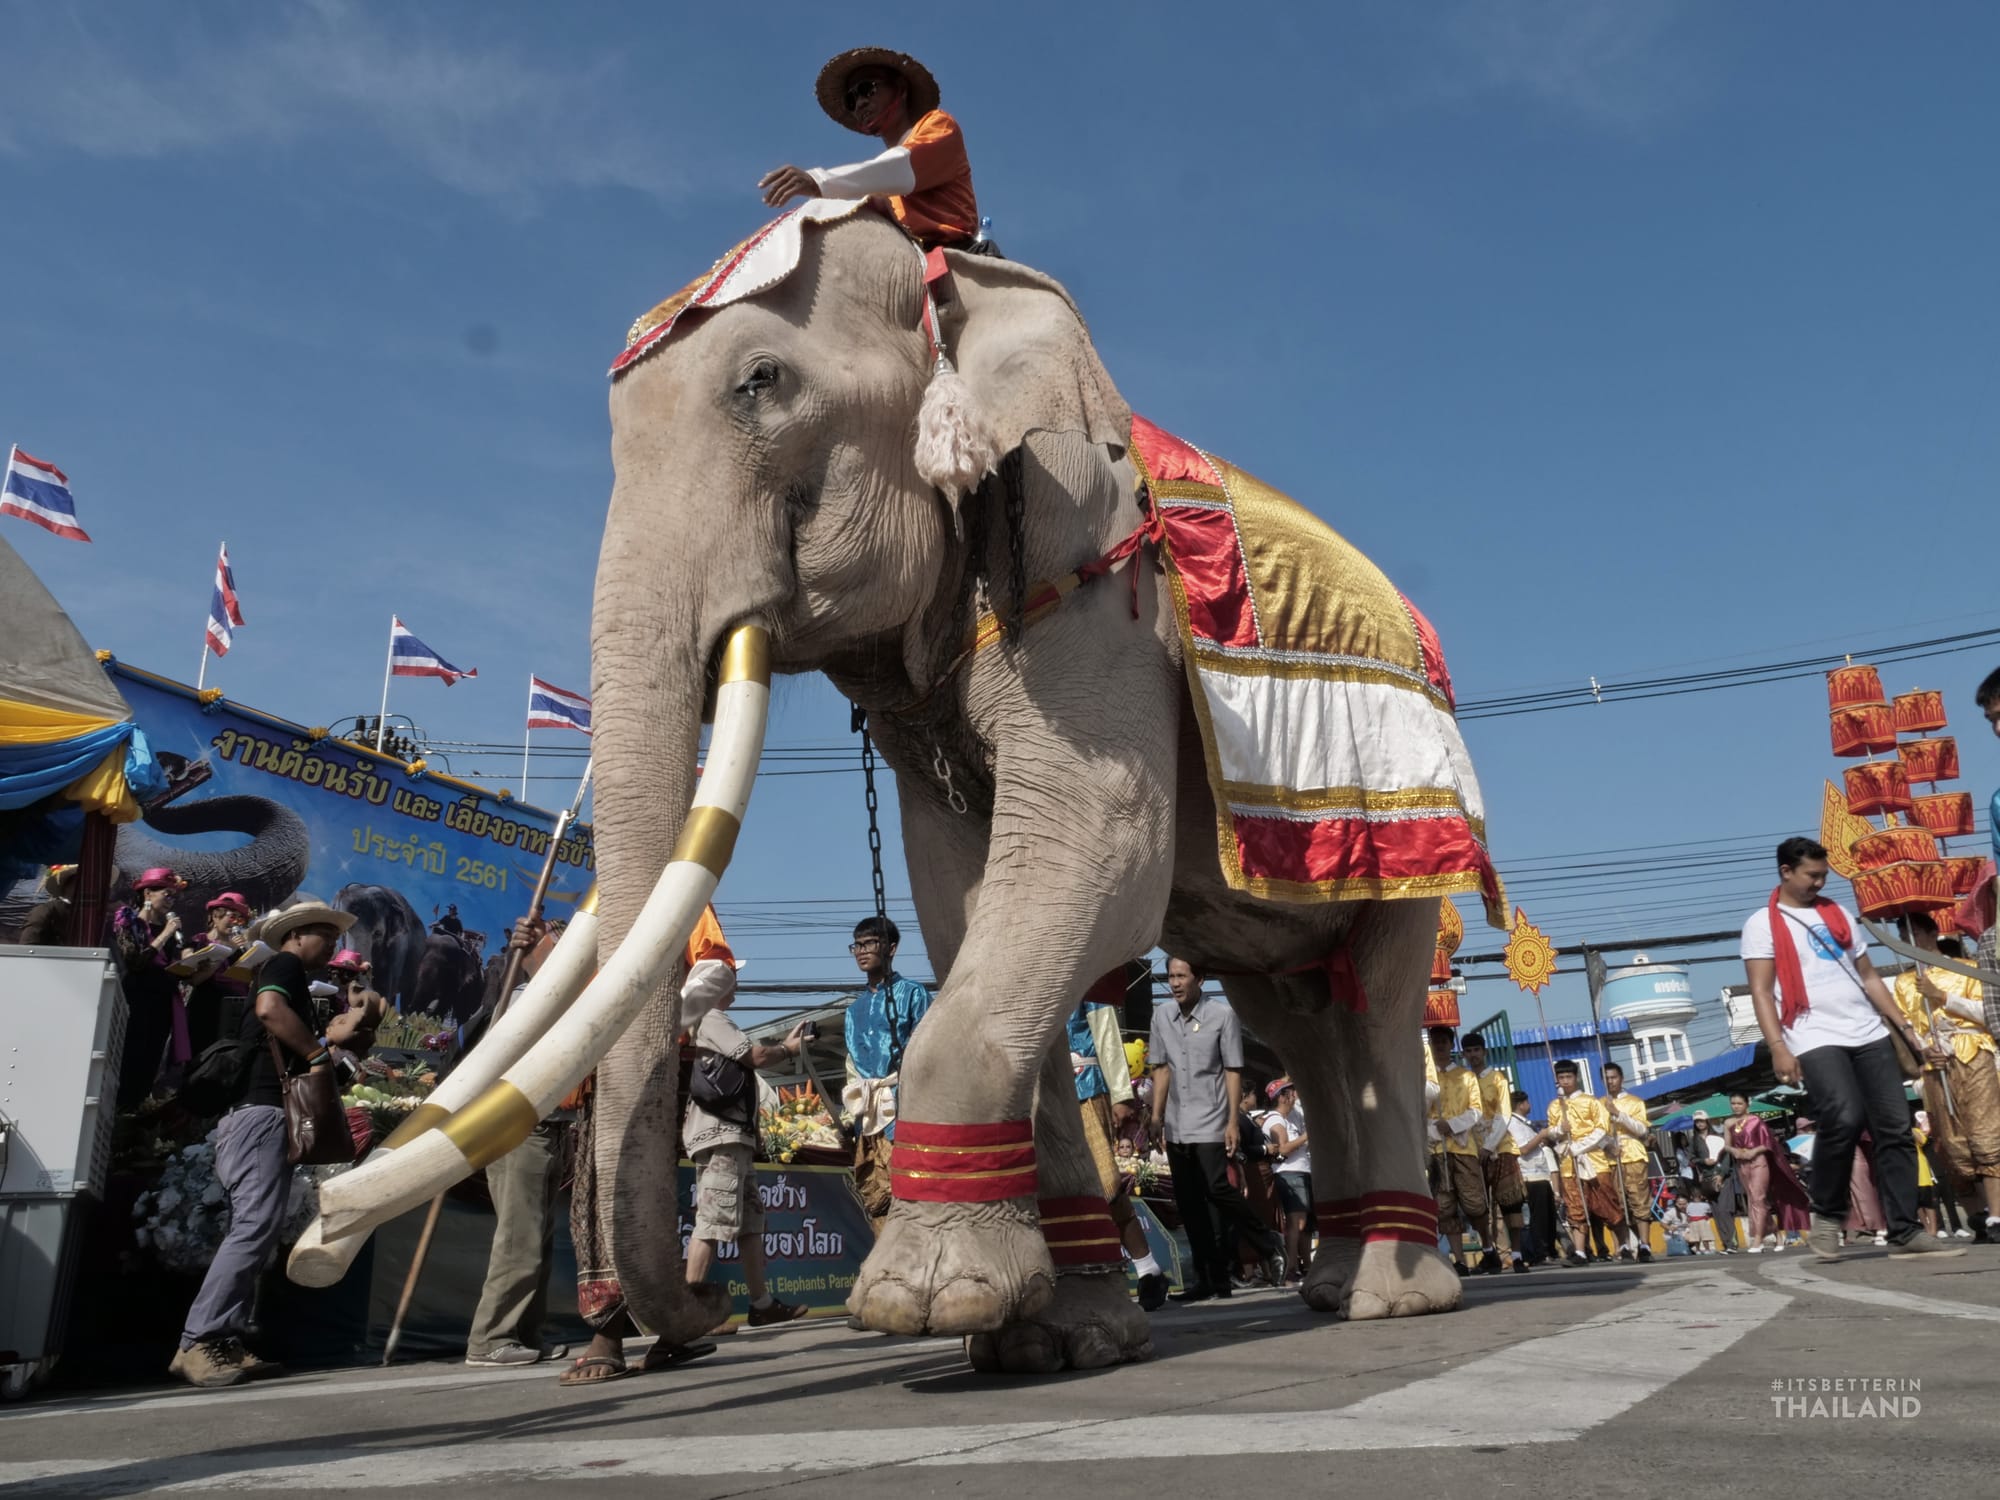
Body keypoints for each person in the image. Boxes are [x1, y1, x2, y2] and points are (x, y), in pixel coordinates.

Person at [170, 902, 371, 1388]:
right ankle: (199, 1341)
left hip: (262, 1116)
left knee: (257, 1228)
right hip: (261, 1114)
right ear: (297, 935)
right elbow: (269, 1009)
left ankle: (223, 1342)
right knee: (254, 1226)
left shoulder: (291, 974)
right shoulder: (281, 966)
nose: (333, 947)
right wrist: (318, 1054)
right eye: (326, 936)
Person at [1741, 835, 1961, 1259]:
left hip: (1867, 1032)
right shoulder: (1763, 924)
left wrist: (1905, 1026)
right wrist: (1778, 1047)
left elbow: (1870, 977)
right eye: (1812, 875)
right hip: (1812, 1032)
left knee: (1895, 1128)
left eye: (1824, 875)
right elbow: (1761, 991)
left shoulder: (1838, 914)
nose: (1820, 883)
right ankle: (1826, 1215)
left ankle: (1905, 1229)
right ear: (1786, 872)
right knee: (1842, 1117)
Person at [679, 956, 811, 1337]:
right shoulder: (713, 1018)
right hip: (722, 1135)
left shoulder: (708, 1020)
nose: (736, 986)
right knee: (712, 1220)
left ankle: (762, 1304)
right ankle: (692, 1311)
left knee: (750, 1221)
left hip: (731, 1136)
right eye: (731, 980)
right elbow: (755, 1056)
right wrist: (789, 1048)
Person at [465, 917, 572, 1368]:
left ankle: (527, 1331)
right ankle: (491, 1337)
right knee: (519, 1237)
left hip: (552, 1126)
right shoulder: (521, 999)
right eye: (558, 943)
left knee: (538, 1238)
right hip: (517, 1127)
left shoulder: (570, 1000)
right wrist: (519, 952)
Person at [1148, 957, 1282, 1301]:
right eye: (1170, 977)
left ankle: (1266, 1240)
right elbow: (1161, 1070)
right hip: (1177, 1123)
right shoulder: (1161, 1015)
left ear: (1200, 979)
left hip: (1212, 1117)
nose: (1175, 983)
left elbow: (1232, 1070)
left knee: (1217, 1187)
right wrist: (1156, 1117)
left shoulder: (1222, 1015)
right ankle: (1211, 1280)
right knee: (1190, 1203)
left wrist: (1231, 1122)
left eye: (1181, 976)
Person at [759, 49, 980, 251]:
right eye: (851, 100)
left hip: (954, 256)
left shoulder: (940, 126)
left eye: (867, 89)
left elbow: (901, 167)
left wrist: (819, 181)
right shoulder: (877, 185)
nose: (861, 103)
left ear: (901, 88)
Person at [1895, 913, 2000, 1236]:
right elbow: (1907, 1028)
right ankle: (1976, 1215)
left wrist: (1942, 997)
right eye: (1902, 934)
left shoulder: (1966, 969)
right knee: (1950, 1143)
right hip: (1934, 1066)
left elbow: (1989, 1013)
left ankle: (1997, 1214)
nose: (1908, 940)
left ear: (1932, 932)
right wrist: (1923, 1050)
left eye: (1913, 932)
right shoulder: (1903, 982)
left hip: (1973, 1055)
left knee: (1986, 1133)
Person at [1070, 973, 1168, 1309]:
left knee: (1104, 1183)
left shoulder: (1085, 971)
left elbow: (1107, 1033)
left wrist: (1120, 1093)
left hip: (1084, 1088)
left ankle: (1148, 1270)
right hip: (1040, 1098)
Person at [841, 915, 933, 1230]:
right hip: (868, 1117)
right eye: (857, 945)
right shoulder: (853, 1012)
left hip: (908, 1111)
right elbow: (852, 1070)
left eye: (869, 943)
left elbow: (928, 1054)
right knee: (877, 1200)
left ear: (891, 948)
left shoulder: (914, 994)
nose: (861, 951)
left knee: (916, 1198)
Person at [112, 867, 190, 1109]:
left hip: (162, 1000)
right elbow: (134, 961)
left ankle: (135, 1113)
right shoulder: (128, 919)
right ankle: (120, 1109)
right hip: (136, 996)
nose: (171, 900)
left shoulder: (170, 929)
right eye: (166, 894)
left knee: (151, 1058)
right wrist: (165, 934)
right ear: (147, 894)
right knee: (131, 1055)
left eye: (173, 896)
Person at [1540, 1059, 1623, 1267]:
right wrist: (1560, 1130)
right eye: (1561, 1078)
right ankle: (1580, 1252)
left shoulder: (1591, 1101)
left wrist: (1579, 1146)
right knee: (1575, 1209)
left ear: (1576, 1078)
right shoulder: (1554, 1106)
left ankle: (1625, 1245)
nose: (1565, 1081)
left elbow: (1601, 1129)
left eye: (1569, 1077)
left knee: (1607, 1204)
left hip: (1593, 1162)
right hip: (1568, 1164)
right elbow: (1552, 1132)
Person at [1460, 1033, 1527, 1273]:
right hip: (1471, 1151)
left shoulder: (1497, 1078)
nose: (1473, 1055)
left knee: (1511, 1203)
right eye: (1468, 1051)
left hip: (1501, 1148)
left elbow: (1503, 1115)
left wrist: (1489, 1146)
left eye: (1477, 1050)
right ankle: (1490, 1253)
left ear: (1484, 1052)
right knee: (1479, 1207)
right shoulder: (1463, 1081)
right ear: (1463, 1054)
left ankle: (1517, 1255)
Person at [1724, 1092, 1810, 1251]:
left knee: (1758, 1197)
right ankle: (1777, 1234)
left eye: (1739, 1103)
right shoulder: (1728, 1122)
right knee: (1754, 1201)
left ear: (1747, 1104)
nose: (1736, 1106)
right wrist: (1733, 1151)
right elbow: (1727, 1144)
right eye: (1733, 1103)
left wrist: (1754, 1151)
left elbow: (1768, 1143)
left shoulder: (1755, 1121)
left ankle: (1757, 1239)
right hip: (1742, 1164)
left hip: (1759, 1161)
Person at [1600, 1063, 1655, 1263]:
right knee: (1617, 1203)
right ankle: (1623, 1245)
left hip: (1633, 1154)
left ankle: (1645, 1244)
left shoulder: (1635, 1102)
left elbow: (1641, 1130)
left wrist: (1618, 1114)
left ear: (1621, 1078)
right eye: (1606, 1078)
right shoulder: (1599, 1104)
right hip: (1610, 1158)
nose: (1610, 1081)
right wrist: (1607, 1145)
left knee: (1638, 1200)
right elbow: (1597, 1133)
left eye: (1613, 1077)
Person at [1263, 1079, 1313, 1283]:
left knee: (1305, 1225)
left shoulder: (1294, 1115)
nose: (1294, 1095)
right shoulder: (1275, 1120)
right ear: (1281, 1097)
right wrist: (1306, 1136)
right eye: (1290, 1092)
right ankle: (1291, 1267)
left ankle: (1307, 1265)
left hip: (1303, 1171)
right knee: (1296, 1223)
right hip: (1290, 1173)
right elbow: (1283, 1148)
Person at [1507, 1089, 1559, 1265]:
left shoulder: (1525, 1123)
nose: (1529, 1105)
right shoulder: (1514, 1123)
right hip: (1531, 1174)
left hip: (1540, 1172)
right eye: (1527, 1102)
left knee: (1547, 1214)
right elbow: (1524, 1148)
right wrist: (1541, 1135)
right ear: (1521, 1104)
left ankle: (1549, 1249)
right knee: (1539, 1216)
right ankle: (1540, 1251)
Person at [17, 863, 77, 945]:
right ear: (65, 887)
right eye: (77, 883)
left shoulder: (97, 913)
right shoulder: (45, 912)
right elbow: (28, 949)